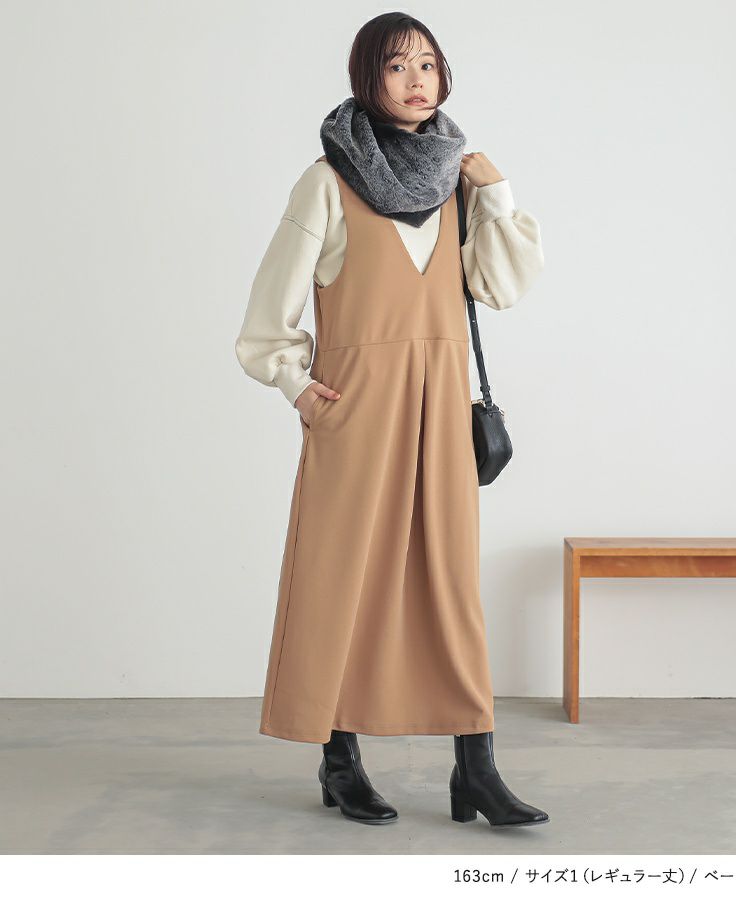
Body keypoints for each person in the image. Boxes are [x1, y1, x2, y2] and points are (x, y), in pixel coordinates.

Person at [235, 12, 548, 828]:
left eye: (429, 65)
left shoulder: (457, 183)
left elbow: (503, 287)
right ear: (367, 76)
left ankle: (475, 769)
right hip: (358, 412)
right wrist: (296, 385)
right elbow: (268, 312)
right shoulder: (326, 181)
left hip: (441, 410)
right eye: (399, 64)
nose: (418, 80)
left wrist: (497, 194)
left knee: (451, 585)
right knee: (342, 580)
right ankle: (340, 760)